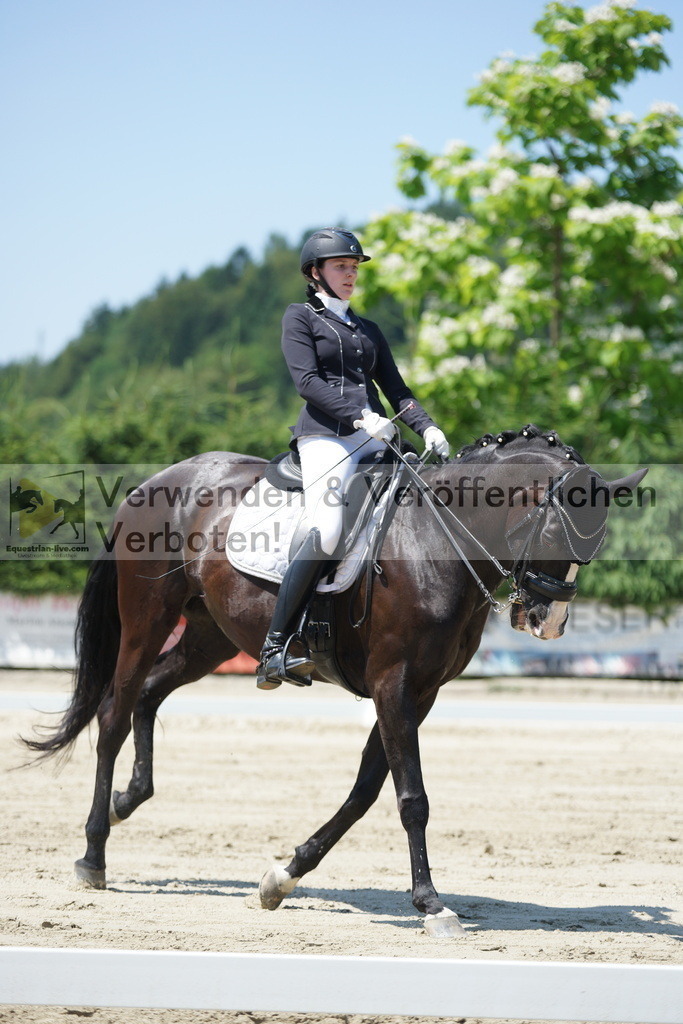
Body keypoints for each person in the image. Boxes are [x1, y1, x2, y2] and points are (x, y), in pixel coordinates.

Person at [256, 227, 450, 690]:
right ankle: (275, 647)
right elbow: (307, 383)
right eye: (342, 267)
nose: (350, 275)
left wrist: (427, 427)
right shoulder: (299, 317)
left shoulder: (368, 330)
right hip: (326, 437)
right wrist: (363, 417)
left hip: (375, 437)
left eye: (354, 267)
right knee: (326, 528)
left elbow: (397, 392)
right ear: (315, 272)